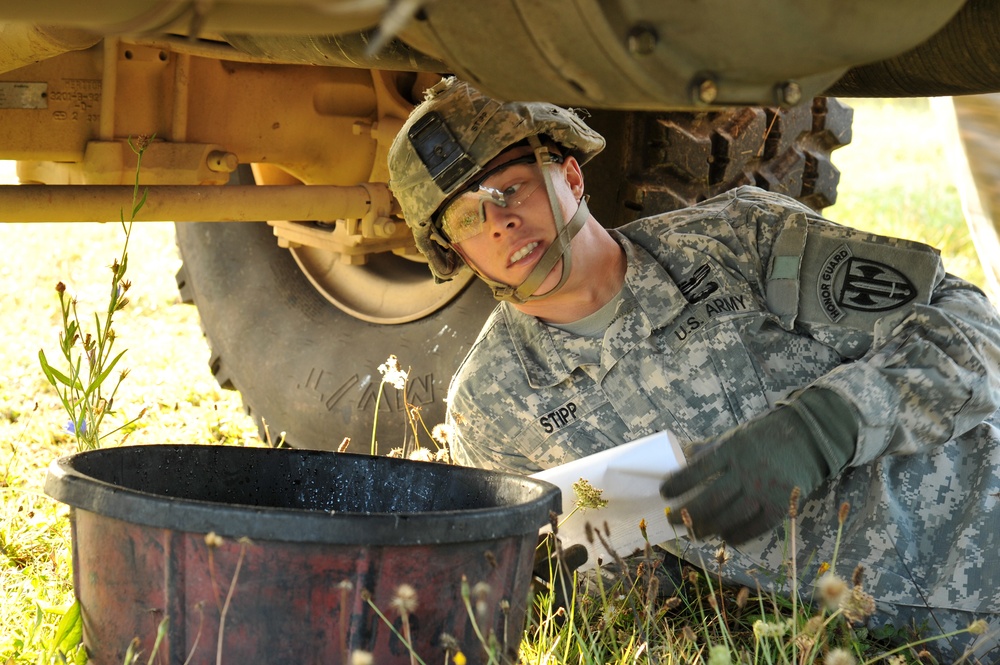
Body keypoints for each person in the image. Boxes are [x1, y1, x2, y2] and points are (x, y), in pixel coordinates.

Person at [387, 78, 1000, 660]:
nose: (500, 223)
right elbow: (609, 604)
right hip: (865, 650)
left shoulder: (737, 239)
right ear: (454, 252)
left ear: (570, 173)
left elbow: (974, 328)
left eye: (510, 189)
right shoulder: (494, 406)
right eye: (467, 219)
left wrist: (829, 424)